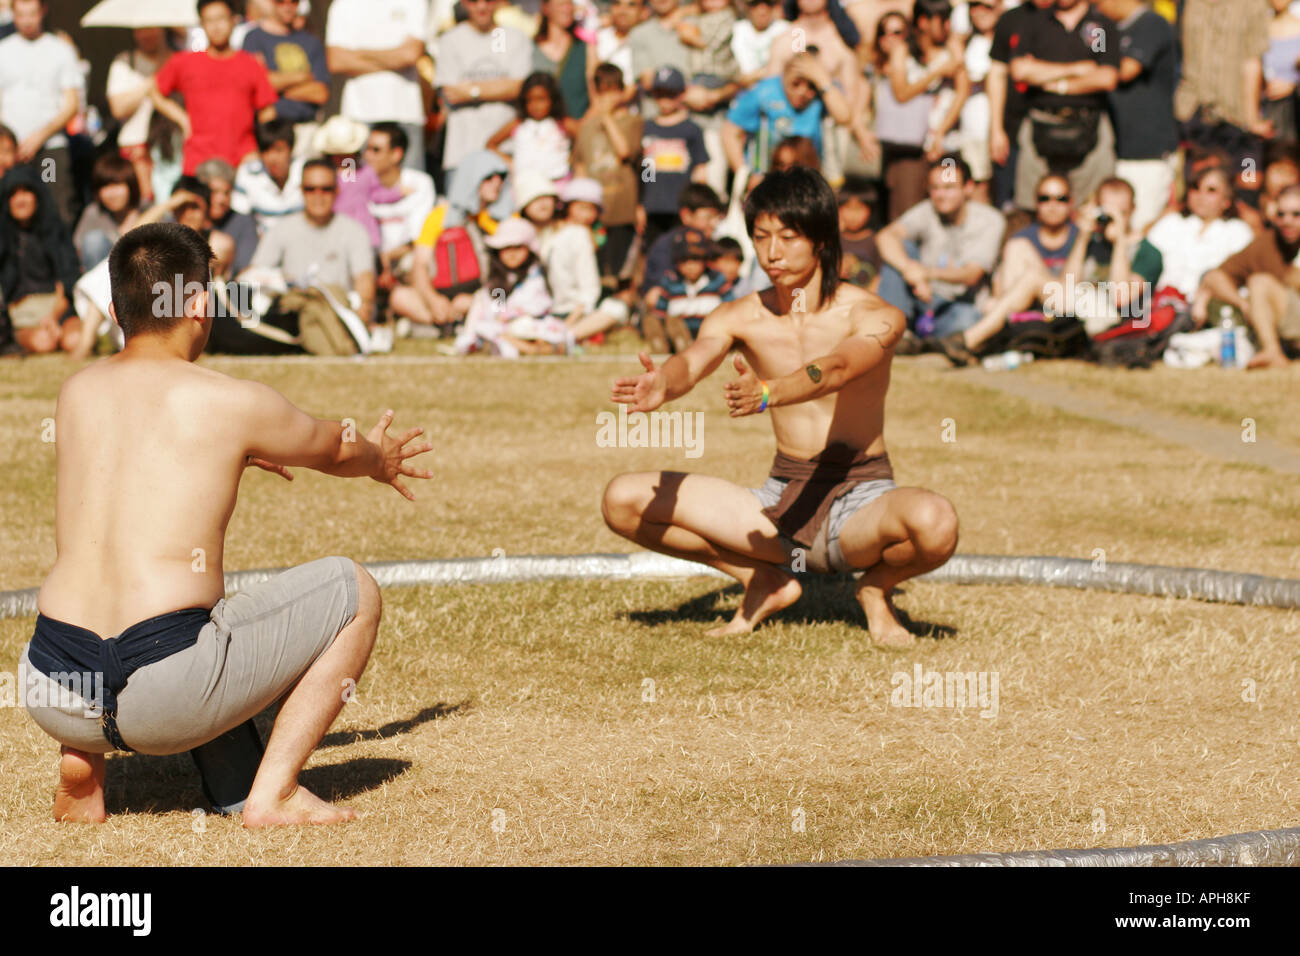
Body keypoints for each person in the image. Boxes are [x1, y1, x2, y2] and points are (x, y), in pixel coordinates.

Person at [21, 220, 432, 825]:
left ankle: (85, 756)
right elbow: (336, 447)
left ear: (114, 312)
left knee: (118, 577)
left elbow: (133, 463)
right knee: (354, 591)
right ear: (198, 306)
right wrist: (380, 459)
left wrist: (227, 451)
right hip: (165, 688)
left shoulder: (76, 391)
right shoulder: (232, 401)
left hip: (51, 679)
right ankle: (276, 794)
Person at [601, 166, 957, 645]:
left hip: (863, 499)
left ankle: (874, 588)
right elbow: (695, 359)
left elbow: (837, 368)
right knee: (623, 499)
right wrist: (665, 381)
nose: (772, 253)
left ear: (822, 240)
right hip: (780, 500)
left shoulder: (874, 314)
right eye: (761, 237)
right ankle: (762, 579)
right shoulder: (739, 315)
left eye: (788, 238)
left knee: (936, 522)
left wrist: (770, 392)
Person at [876, 154, 1006, 345]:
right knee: (901, 248)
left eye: (949, 187)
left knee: (968, 321)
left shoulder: (990, 220)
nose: (940, 195)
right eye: (934, 188)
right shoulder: (927, 209)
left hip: (957, 304)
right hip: (921, 296)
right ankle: (895, 332)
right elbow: (885, 236)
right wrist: (910, 269)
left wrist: (926, 273)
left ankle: (921, 341)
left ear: (968, 187)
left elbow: (972, 274)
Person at [1008, 0, 1120, 213]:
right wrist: (1076, 69)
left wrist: (1053, 82)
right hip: (1040, 126)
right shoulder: (1036, 22)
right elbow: (1019, 70)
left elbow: (1106, 77)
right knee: (1034, 207)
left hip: (1089, 127)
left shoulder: (1098, 27)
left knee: (1091, 208)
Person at [151, 0, 278, 177]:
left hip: (243, 159)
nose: (216, 27)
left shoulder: (250, 64)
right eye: (209, 21)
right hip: (200, 160)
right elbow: (155, 92)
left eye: (220, 19)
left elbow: (267, 111)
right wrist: (182, 118)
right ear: (202, 25)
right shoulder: (186, 62)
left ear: (233, 21)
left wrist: (263, 148)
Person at [248, 159, 377, 328]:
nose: (318, 195)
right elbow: (253, 274)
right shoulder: (281, 229)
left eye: (326, 189)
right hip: (292, 316)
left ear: (337, 191)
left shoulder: (355, 231)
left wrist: (362, 313)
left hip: (337, 318)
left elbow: (364, 283)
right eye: (310, 189)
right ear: (301, 190)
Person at [1093, 0, 1179, 233]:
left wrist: (1085, 73)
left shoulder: (1152, 24)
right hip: (1113, 148)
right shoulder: (1105, 28)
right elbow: (1095, 63)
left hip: (1147, 151)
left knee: (1139, 226)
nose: (1096, 7)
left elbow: (1125, 70)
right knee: (1107, 225)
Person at [1195, 183, 1300, 368]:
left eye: (1296, 214)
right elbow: (1214, 277)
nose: (1287, 221)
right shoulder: (1267, 242)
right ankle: (1272, 353)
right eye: (1281, 214)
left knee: (1260, 282)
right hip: (1289, 322)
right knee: (1258, 283)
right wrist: (1244, 305)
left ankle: (1272, 351)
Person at [0, 0, 84, 226]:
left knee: (54, 206)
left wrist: (40, 136)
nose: (27, 21)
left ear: (42, 12)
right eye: (21, 15)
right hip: (12, 152)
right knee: (11, 210)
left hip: (50, 150)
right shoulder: (3, 50)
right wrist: (6, 144)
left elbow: (72, 104)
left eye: (32, 14)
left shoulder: (60, 50)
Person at [325, 0, 428, 171]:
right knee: (352, 181)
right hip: (357, 115)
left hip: (406, 114)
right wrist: (395, 58)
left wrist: (358, 54)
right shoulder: (343, 4)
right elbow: (337, 61)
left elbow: (411, 55)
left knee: (412, 182)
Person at [434, 0, 531, 177]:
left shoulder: (510, 37)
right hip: (462, 152)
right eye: (474, 1)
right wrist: (500, 87)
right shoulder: (451, 40)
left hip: (504, 151)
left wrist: (471, 91)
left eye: (488, 0)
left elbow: (519, 87)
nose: (482, 6)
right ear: (464, 3)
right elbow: (451, 93)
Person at [573, 63, 643, 296]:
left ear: (622, 91)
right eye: (602, 92)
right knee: (596, 267)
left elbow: (625, 151)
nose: (607, 98)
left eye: (613, 91)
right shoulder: (586, 127)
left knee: (623, 269)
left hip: (622, 207)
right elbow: (580, 165)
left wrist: (606, 117)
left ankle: (623, 307)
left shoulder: (633, 122)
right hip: (595, 212)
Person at [723, 53, 855, 176]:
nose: (802, 91)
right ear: (785, 75)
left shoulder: (823, 92)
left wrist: (822, 80)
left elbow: (844, 117)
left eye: (811, 86)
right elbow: (730, 131)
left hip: (807, 174)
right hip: (766, 175)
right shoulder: (764, 91)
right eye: (795, 84)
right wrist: (744, 174)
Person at [0, 166, 82, 355]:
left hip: (58, 307)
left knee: (74, 340)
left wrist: (52, 317)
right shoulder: (3, 236)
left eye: (26, 192)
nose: (20, 200)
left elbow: (67, 281)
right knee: (44, 342)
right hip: (21, 313)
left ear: (37, 195)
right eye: (13, 194)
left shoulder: (54, 230)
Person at [1146, 166, 1255, 300]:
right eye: (1195, 188)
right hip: (1166, 303)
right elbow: (1143, 269)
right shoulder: (1171, 222)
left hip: (1215, 304)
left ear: (1227, 200)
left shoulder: (1239, 231)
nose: (1201, 196)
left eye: (1211, 190)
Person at [987, 0, 1054, 210]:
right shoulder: (1010, 19)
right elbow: (997, 74)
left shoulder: (1084, 21)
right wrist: (996, 129)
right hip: (1013, 129)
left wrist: (1035, 72)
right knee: (1012, 206)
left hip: (1065, 130)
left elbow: (1100, 68)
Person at [241, 0, 331, 153]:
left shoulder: (311, 42)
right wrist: (302, 77)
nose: (288, 6)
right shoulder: (254, 38)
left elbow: (320, 93)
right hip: (271, 130)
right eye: (281, 2)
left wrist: (274, 84)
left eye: (294, 2)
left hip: (306, 130)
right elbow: (254, 85)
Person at [640, 67, 711, 248]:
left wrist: (696, 207)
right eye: (659, 94)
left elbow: (700, 170)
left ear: (682, 94)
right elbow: (646, 170)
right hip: (653, 206)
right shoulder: (647, 128)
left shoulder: (691, 130)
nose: (664, 100)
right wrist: (642, 204)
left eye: (670, 94)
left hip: (681, 208)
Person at [106, 27, 175, 203]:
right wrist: (153, 80)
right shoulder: (124, 63)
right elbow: (118, 108)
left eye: (151, 29)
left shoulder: (178, 59)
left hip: (171, 149)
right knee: (143, 206)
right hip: (137, 150)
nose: (146, 34)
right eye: (140, 30)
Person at [485, 72, 576, 182]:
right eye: (530, 100)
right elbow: (491, 144)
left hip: (558, 182)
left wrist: (571, 160)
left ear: (553, 99)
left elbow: (584, 141)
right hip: (525, 184)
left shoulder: (563, 123)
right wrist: (510, 162)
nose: (535, 106)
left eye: (541, 99)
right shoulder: (518, 124)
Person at [74, 154, 145, 272]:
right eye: (105, 187)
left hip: (144, 276)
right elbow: (79, 251)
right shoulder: (94, 213)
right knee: (94, 240)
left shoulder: (147, 208)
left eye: (117, 185)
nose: (112, 194)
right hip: (105, 277)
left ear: (130, 185)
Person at [232, 118, 304, 232]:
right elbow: (240, 220)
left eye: (279, 150)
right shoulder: (248, 174)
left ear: (291, 150)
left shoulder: (307, 171)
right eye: (266, 151)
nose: (272, 158)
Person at [531, 0, 592, 120]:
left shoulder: (586, 48)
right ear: (546, 8)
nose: (567, 9)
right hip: (541, 128)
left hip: (577, 125)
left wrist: (580, 127)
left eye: (570, 4)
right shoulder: (530, 49)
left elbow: (597, 98)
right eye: (561, 4)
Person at [733, 0, 791, 87]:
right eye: (755, 4)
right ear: (747, 7)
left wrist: (756, 75)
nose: (762, 11)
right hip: (743, 89)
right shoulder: (737, 29)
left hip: (776, 85)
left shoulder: (785, 29)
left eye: (768, 4)